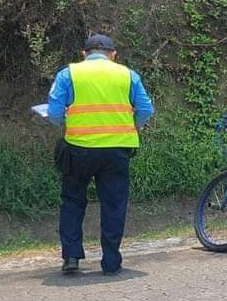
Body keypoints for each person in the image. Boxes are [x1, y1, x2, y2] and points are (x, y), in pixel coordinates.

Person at [47, 34, 154, 275]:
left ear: (83, 54)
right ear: (113, 55)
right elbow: (146, 109)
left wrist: (66, 123)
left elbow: (54, 112)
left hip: (78, 148)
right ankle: (111, 261)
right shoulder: (128, 75)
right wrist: (133, 125)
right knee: (114, 204)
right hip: (117, 150)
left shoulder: (69, 74)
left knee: (73, 201)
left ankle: (72, 257)